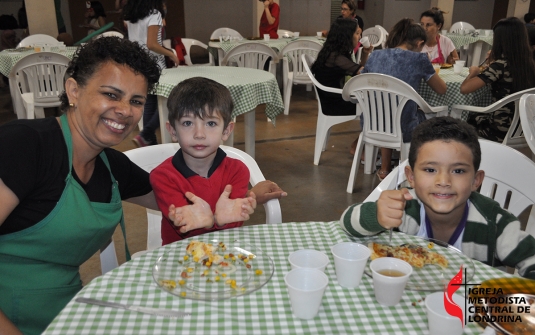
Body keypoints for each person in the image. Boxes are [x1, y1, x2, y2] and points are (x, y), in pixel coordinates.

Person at [0, 37, 161, 335]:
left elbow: (175, 199)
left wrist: (244, 193)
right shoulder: (25, 145)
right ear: (74, 90)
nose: (125, 111)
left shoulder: (112, 166)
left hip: (65, 313)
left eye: (136, 101)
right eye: (112, 94)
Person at [340, 117, 535, 279]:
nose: (443, 181)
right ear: (411, 177)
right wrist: (376, 215)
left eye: (458, 170)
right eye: (430, 169)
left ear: (476, 181)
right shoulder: (405, 208)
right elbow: (347, 223)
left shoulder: (495, 223)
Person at [150, 77, 257, 245]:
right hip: (179, 257)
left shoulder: (238, 170)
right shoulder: (163, 176)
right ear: (173, 131)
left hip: (226, 253)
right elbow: (184, 227)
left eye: (211, 123)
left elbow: (234, 221)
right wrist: (214, 221)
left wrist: (219, 220)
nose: (199, 134)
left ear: (226, 130)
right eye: (187, 123)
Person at [361, 18, 446, 180]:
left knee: (387, 109)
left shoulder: (375, 55)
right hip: (404, 126)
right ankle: (419, 166)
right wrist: (426, 63)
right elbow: (441, 89)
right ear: (420, 43)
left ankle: (385, 167)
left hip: (372, 123)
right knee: (420, 114)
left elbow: (363, 81)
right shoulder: (419, 59)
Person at [461, 17, 535, 143]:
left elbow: (464, 89)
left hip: (499, 129)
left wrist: (473, 73)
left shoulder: (501, 66)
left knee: (468, 118)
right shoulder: (530, 65)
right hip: (526, 128)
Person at [311, 18, 372, 155]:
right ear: (346, 35)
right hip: (335, 103)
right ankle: (360, 146)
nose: (359, 37)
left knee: (374, 105)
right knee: (375, 107)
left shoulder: (331, 51)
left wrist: (365, 53)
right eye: (357, 34)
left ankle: (365, 146)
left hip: (332, 98)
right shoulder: (336, 57)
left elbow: (357, 70)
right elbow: (362, 72)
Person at [123, 0, 178, 147]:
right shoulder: (154, 14)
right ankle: (146, 133)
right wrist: (171, 54)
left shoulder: (132, 14)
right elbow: (152, 44)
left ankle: (149, 141)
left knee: (150, 103)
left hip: (138, 63)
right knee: (169, 100)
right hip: (154, 64)